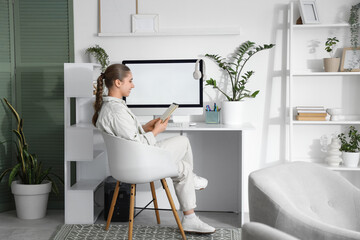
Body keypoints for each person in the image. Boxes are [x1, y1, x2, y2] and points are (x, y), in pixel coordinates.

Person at [93, 64, 216, 234]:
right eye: (130, 81)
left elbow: (128, 137)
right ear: (118, 83)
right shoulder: (115, 111)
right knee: (183, 141)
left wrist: (146, 128)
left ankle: (190, 216)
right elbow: (137, 144)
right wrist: (157, 131)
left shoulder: (114, 107)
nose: (133, 85)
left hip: (134, 159)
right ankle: (191, 202)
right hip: (137, 163)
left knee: (183, 168)